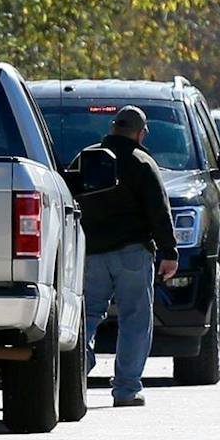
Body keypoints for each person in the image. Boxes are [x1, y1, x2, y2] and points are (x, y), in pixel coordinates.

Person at [76, 106, 179, 407]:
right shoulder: (142, 162)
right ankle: (127, 389)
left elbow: (70, 199)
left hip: (92, 253)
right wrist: (169, 251)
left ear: (112, 127)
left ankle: (77, 368)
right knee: (135, 319)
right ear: (141, 133)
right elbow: (159, 211)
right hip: (133, 253)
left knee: (86, 316)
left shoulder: (86, 157)